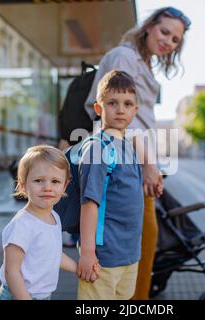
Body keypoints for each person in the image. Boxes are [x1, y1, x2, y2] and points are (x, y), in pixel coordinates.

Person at [83, 6, 191, 300]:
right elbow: (118, 116)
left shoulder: (142, 62)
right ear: (149, 27)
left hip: (135, 162)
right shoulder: (124, 57)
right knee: (139, 241)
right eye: (164, 31)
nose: (168, 41)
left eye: (175, 39)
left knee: (142, 240)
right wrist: (149, 166)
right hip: (125, 165)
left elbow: (141, 120)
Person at [77, 70, 144, 300]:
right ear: (99, 108)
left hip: (129, 255)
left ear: (135, 110)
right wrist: (87, 253)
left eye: (128, 104)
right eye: (112, 103)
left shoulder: (129, 147)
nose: (121, 109)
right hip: (102, 258)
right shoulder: (98, 148)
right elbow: (89, 203)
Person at [0, 145, 78, 300]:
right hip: (17, 295)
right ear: (23, 184)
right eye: (39, 180)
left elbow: (52, 254)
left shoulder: (54, 217)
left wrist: (78, 268)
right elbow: (11, 271)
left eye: (55, 181)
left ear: (65, 185)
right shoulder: (22, 225)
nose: (47, 187)